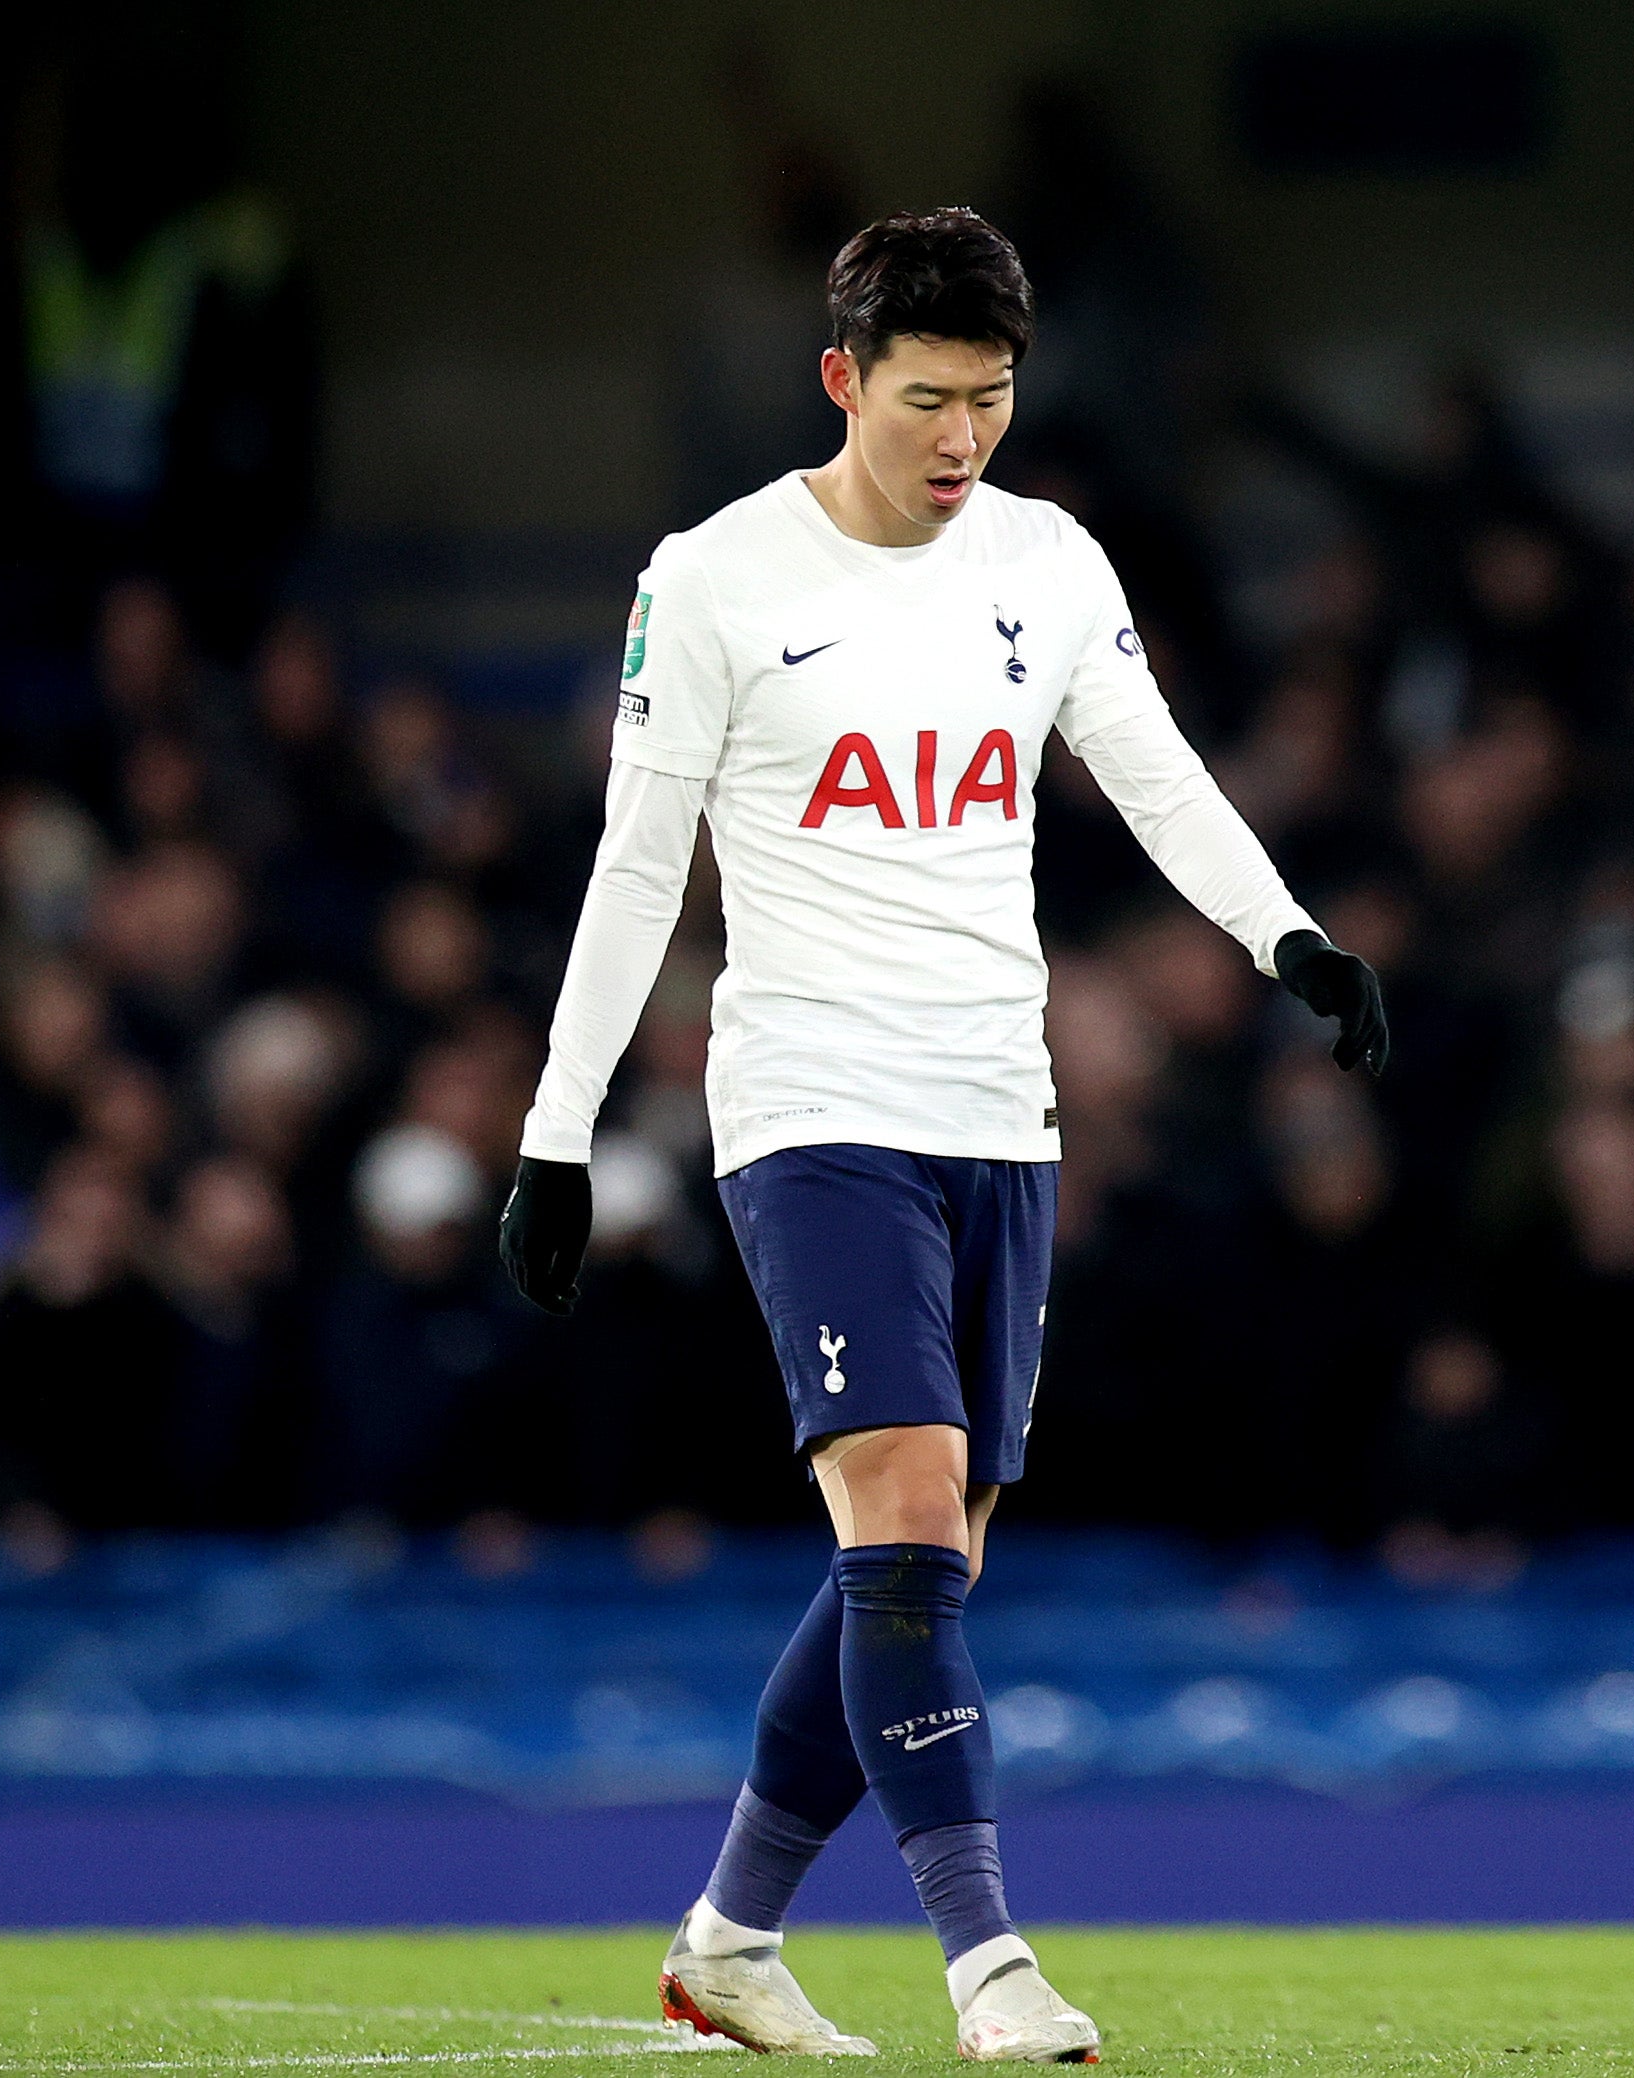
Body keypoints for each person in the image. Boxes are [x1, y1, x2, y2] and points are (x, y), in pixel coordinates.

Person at [496, 209, 1385, 2062]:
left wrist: (1284, 932)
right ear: (841, 379)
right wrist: (558, 1130)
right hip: (812, 1102)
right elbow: (637, 864)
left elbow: (1151, 769)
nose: (960, 434)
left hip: (1001, 1103)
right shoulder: (721, 575)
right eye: (924, 398)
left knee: (920, 1562)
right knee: (902, 1511)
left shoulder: (1047, 562)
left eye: (989, 397)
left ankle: (729, 1933)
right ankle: (989, 1958)